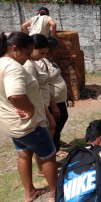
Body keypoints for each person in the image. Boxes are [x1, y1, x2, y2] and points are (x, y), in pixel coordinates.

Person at [0, 32, 57, 202]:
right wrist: (31, 110)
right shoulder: (13, 67)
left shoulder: (1, 63)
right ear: (15, 49)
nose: (27, 58)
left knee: (24, 155)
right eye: (26, 53)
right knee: (48, 155)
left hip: (12, 124)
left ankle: (30, 192)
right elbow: (15, 95)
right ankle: (55, 192)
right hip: (29, 125)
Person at [23, 34, 57, 177]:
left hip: (41, 106)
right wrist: (48, 114)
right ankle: (44, 169)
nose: (43, 55)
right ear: (32, 48)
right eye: (41, 52)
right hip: (37, 109)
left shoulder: (35, 62)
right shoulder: (28, 66)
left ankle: (43, 168)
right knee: (42, 144)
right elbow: (31, 93)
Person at [45, 36, 69, 157]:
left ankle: (56, 140)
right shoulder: (41, 63)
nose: (55, 51)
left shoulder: (50, 60)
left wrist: (67, 93)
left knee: (61, 120)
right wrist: (53, 105)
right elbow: (44, 85)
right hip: (52, 100)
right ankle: (55, 147)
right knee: (55, 123)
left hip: (60, 98)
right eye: (52, 49)